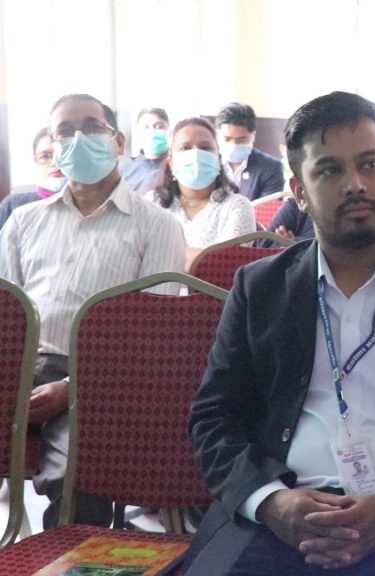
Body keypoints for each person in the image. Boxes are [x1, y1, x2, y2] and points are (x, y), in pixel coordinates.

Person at [184, 91, 375, 575]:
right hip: (272, 519)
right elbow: (214, 419)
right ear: (299, 190)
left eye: (370, 164)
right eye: (330, 170)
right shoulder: (260, 287)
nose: (356, 184)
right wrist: (270, 501)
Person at [0, 94, 186, 529]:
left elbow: (151, 335)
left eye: (91, 127)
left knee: (76, 473)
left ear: (118, 141)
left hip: (104, 378)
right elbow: (6, 318)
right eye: (65, 131)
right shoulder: (24, 222)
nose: (78, 139)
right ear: (52, 145)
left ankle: (70, 556)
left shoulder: (156, 226)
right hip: (18, 370)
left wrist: (70, 387)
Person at [146, 117, 256, 271]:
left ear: (218, 159)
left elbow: (225, 265)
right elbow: (135, 256)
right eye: (185, 148)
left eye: (205, 148)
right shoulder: (152, 202)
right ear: (171, 163)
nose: (196, 154)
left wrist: (161, 255)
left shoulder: (237, 206)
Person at [216, 102, 286, 200]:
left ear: (253, 137)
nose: (234, 145)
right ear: (217, 135)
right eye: (227, 139)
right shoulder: (207, 164)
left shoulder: (270, 167)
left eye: (241, 140)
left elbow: (267, 207)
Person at [0, 127, 65, 231]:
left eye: (62, 154)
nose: (54, 163)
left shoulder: (87, 204)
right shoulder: (13, 205)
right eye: (45, 156)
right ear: (36, 160)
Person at [120, 107, 170, 194]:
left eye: (159, 126)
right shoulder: (124, 171)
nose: (152, 131)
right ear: (138, 132)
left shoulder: (178, 167)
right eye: (146, 127)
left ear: (168, 129)